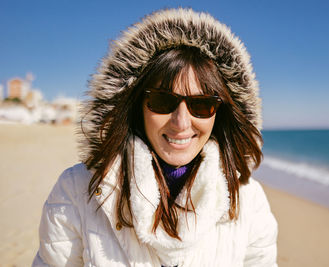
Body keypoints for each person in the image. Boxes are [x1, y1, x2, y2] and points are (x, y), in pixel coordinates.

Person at [32, 8, 278, 267]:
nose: (181, 122)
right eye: (162, 101)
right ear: (138, 104)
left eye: (202, 105)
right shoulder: (77, 190)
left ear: (220, 113)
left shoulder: (248, 200)